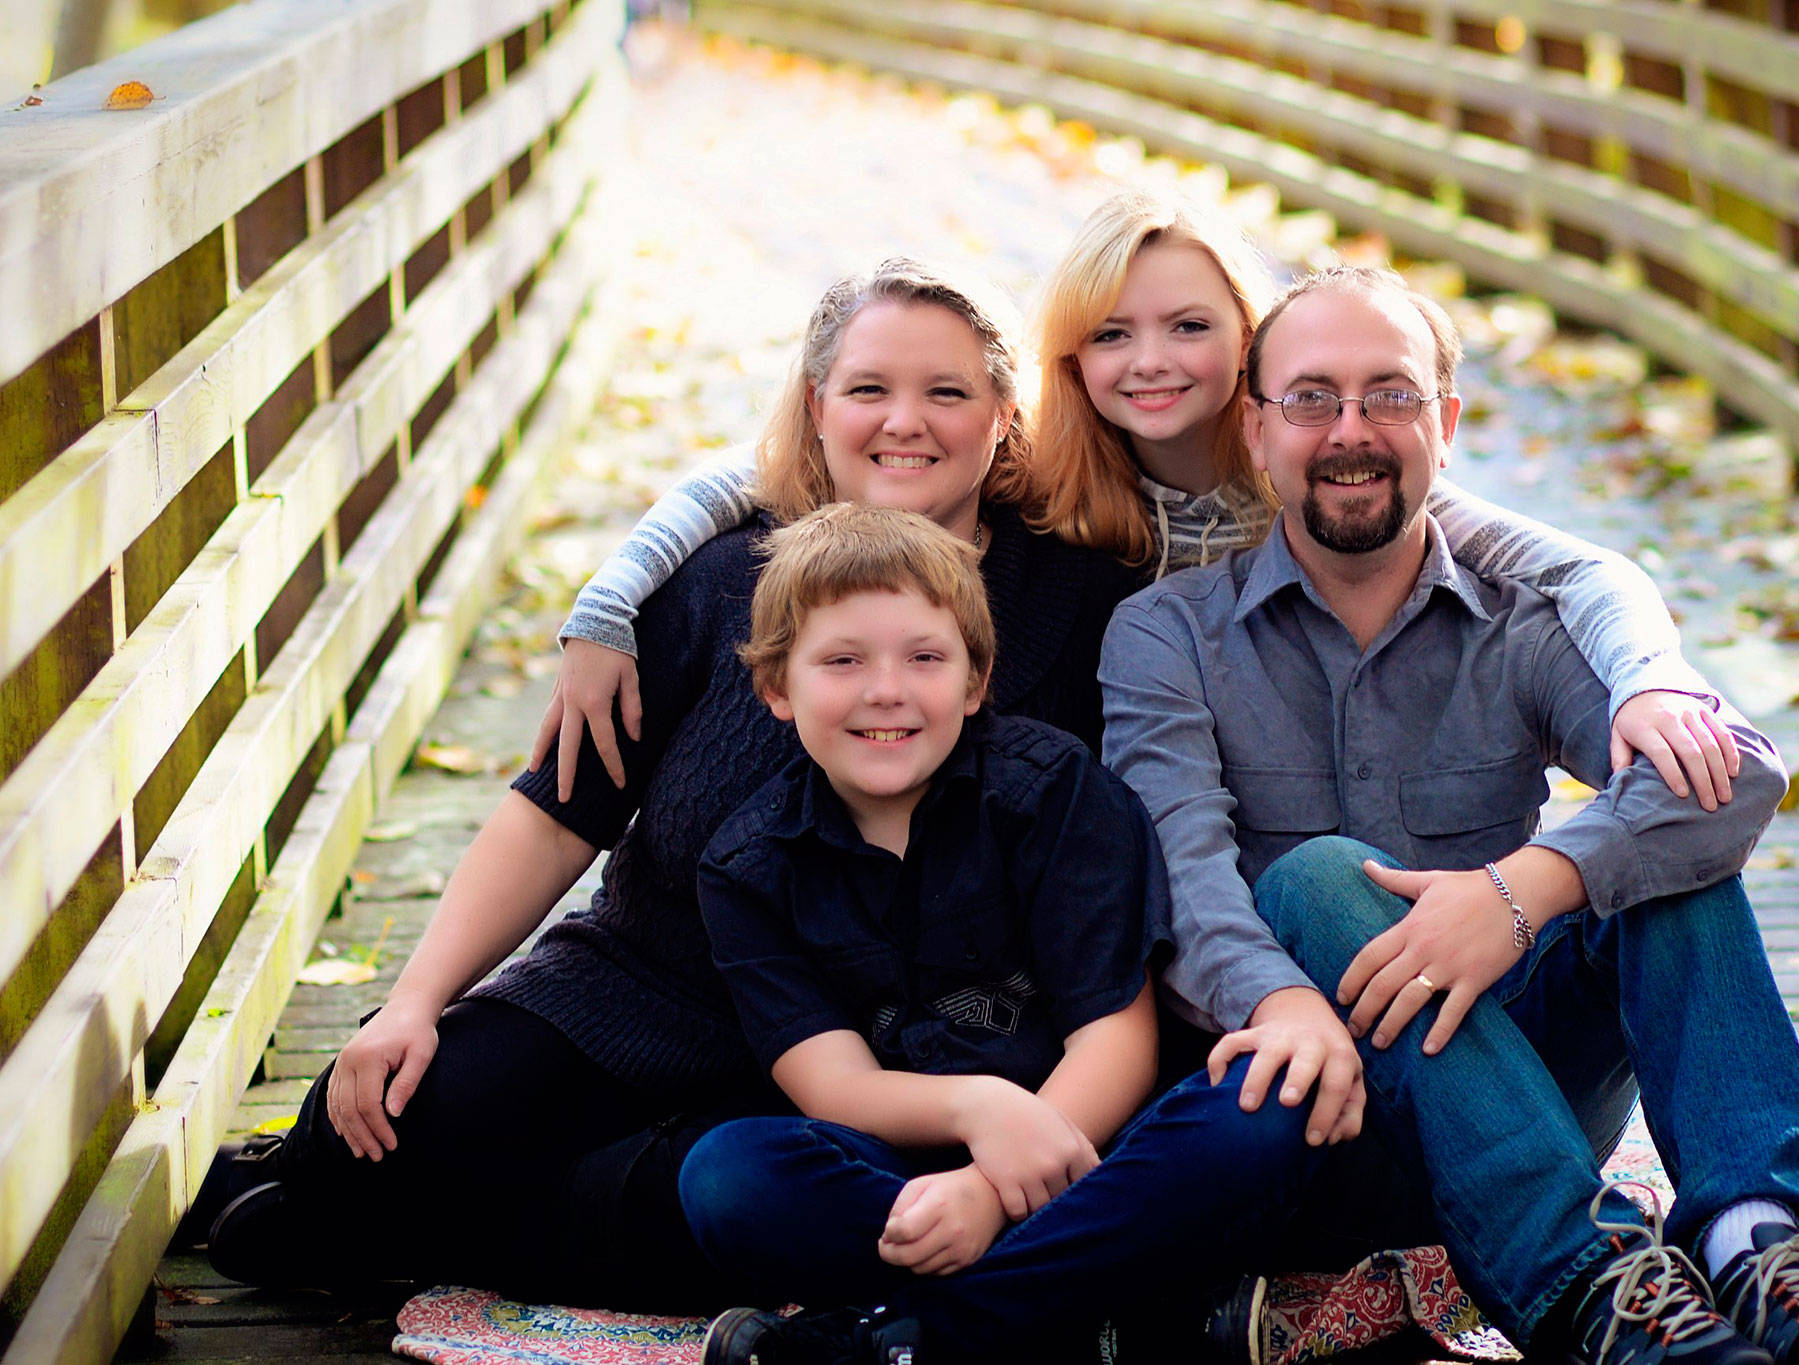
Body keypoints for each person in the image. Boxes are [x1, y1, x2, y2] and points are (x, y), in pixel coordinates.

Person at [195, 259, 1144, 1309]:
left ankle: (412, 1220)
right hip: (641, 991)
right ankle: (332, 1190)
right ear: (818, 405)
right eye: (869, 389)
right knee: (379, 1105)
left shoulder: (1077, 601)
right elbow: (559, 815)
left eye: (947, 392)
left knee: (727, 1195)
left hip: (872, 1053)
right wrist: (416, 1000)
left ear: (1005, 417)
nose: (902, 423)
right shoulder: (718, 578)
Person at [1098, 264, 1799, 1365]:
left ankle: (1756, 1243)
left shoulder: (1522, 624)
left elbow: (1740, 773)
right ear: (1254, 428)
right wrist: (1280, 1000)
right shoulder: (1167, 635)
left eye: (1388, 395)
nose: (1351, 430)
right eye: (1311, 398)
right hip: (1322, 1119)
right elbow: (1182, 881)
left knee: (1664, 851)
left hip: (1526, 1088)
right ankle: (1589, 1288)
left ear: (1444, 421)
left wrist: (1523, 890)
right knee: (1311, 880)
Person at [533, 191, 1742, 820]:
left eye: (1188, 327)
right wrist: (606, 605)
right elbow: (765, 476)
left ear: (1248, 340)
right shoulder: (1044, 475)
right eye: (1109, 333)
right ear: (1067, 356)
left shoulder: (1316, 466)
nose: (1149, 361)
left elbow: (1582, 569)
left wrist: (1645, 677)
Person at [679, 503, 1316, 1365]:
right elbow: (834, 1084)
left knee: (1262, 1109)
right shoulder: (747, 863)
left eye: (925, 658)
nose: (886, 690)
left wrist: (991, 1193)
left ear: (976, 680)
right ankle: (1107, 1318)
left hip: (1098, 1149)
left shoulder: (1055, 792)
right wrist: (976, 1115)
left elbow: (1117, 1039)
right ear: (777, 688)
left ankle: (911, 1340)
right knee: (728, 1174)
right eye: (842, 660)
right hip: (899, 1175)